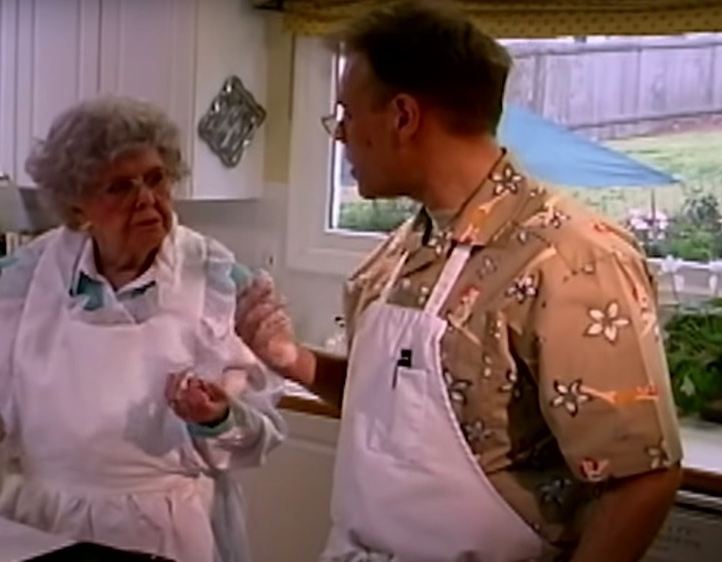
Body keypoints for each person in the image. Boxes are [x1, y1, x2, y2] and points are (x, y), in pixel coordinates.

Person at [236, 2, 682, 561]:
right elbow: (389, 409)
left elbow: (640, 477)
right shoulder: (401, 253)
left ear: (403, 116)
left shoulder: (570, 259)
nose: (340, 134)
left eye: (347, 114)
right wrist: (289, 358)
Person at [0, 95, 286, 562]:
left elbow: (261, 433)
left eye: (155, 178)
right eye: (119, 187)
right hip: (44, 521)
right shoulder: (25, 279)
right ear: (77, 205)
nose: (146, 198)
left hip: (168, 530)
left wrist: (217, 418)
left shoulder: (221, 282)